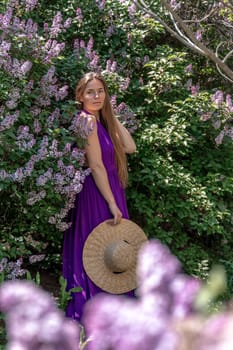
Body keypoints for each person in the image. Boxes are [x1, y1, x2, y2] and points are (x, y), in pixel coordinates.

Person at [62, 72, 136, 322]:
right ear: (80, 95)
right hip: (97, 193)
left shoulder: (99, 121)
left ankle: (113, 311)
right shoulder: (87, 121)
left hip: (110, 189)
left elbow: (130, 147)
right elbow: (95, 166)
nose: (96, 96)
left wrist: (111, 116)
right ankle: (97, 312)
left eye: (101, 91)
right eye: (90, 92)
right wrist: (111, 202)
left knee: (112, 250)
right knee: (97, 250)